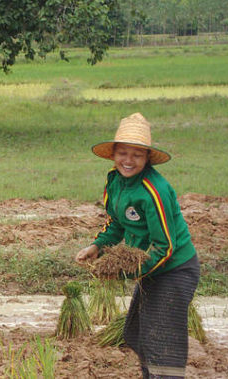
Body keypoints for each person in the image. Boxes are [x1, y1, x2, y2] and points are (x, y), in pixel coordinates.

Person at [75, 113, 199, 379]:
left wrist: (129, 271)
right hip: (150, 269)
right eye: (123, 153)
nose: (128, 161)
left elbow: (165, 246)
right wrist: (97, 246)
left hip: (174, 270)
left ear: (147, 159)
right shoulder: (114, 181)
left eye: (137, 155)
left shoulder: (153, 191)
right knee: (138, 333)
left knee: (162, 340)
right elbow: (117, 222)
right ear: (113, 154)